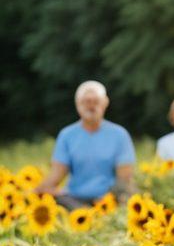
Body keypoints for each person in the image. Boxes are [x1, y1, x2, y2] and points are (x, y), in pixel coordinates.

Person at [36, 80, 135, 209]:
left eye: (95, 102)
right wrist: (34, 192)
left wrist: (105, 202)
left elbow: (124, 179)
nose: (91, 106)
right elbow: (56, 175)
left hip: (109, 200)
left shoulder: (120, 134)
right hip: (75, 199)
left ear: (105, 103)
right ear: (78, 104)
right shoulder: (67, 135)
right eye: (86, 102)